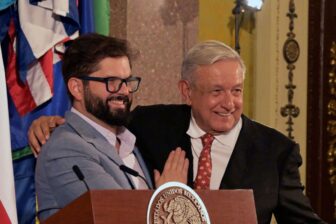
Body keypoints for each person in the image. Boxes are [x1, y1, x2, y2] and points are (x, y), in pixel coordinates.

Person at [29, 40, 325, 223]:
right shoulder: (149, 125)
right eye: (216, 91)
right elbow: (94, 122)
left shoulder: (275, 151)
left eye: (236, 91)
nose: (229, 103)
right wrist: (52, 123)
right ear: (187, 91)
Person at [34, 33, 188, 221]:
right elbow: (116, 217)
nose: (124, 91)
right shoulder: (65, 148)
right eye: (111, 82)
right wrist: (170, 196)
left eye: (127, 81)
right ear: (77, 88)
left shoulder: (132, 138)